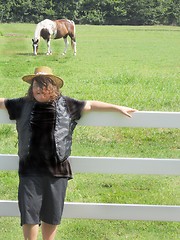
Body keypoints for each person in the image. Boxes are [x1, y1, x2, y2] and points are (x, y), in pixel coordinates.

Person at [0, 66, 137, 240]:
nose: (39, 89)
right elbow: (2, 102)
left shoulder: (67, 104)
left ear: (54, 87)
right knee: (29, 214)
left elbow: (91, 104)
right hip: (30, 171)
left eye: (44, 84)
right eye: (36, 84)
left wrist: (116, 107)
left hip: (57, 172)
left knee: (52, 215)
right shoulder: (22, 105)